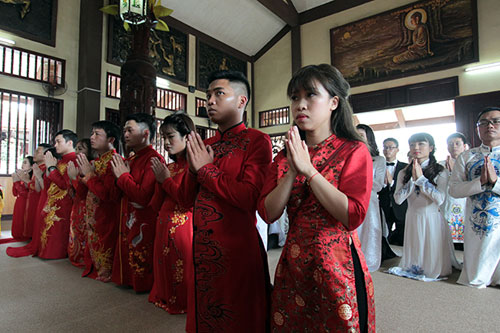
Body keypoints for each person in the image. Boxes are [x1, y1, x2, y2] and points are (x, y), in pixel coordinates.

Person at [258, 64, 375, 332]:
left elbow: (352, 215)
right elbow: (268, 213)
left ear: (334, 102)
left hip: (337, 261)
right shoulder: (284, 156)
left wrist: (309, 170)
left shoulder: (353, 150)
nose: (300, 105)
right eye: (295, 97)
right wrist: (292, 169)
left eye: (310, 95)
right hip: (294, 260)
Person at [177, 70, 272, 332]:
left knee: (237, 316)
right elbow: (186, 200)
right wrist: (193, 170)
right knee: (206, 310)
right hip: (201, 245)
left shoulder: (256, 140)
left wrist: (206, 170)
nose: (209, 101)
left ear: (241, 101)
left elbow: (250, 197)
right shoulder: (205, 144)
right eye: (208, 95)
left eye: (219, 94)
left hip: (236, 247)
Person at [389, 133, 456, 280]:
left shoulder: (440, 170)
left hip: (431, 215)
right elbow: (398, 199)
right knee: (415, 248)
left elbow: (440, 199)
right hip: (412, 215)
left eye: (421, 144)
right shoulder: (403, 172)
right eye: (412, 145)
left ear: (431, 147)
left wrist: (421, 179)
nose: (416, 148)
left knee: (432, 251)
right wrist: (412, 181)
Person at [111, 113, 164, 292]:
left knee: (140, 252)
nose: (125, 134)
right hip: (129, 214)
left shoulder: (153, 159)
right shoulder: (133, 158)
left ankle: (143, 284)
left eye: (130, 130)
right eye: (124, 130)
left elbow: (143, 196)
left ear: (145, 133)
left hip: (143, 218)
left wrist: (123, 177)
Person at [148, 113, 194, 314]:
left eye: (171, 137)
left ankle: (182, 302)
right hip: (164, 221)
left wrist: (165, 180)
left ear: (187, 137)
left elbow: (186, 200)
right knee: (164, 262)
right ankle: (164, 296)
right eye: (163, 138)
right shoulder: (169, 167)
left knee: (181, 266)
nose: (166, 142)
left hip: (184, 224)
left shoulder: (193, 167)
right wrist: (160, 181)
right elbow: (157, 202)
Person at [450, 107, 500, 288]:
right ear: (477, 129)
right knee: (478, 251)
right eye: (484, 123)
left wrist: (495, 183)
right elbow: (454, 189)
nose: (490, 126)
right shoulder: (467, 156)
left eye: (495, 121)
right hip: (476, 216)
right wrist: (480, 183)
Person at [73, 121, 122, 282]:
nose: (92, 137)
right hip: (93, 213)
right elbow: (81, 194)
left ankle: (106, 271)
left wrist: (89, 176)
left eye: (97, 134)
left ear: (111, 140)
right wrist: (80, 176)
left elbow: (109, 195)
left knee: (104, 243)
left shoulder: (114, 161)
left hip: (106, 214)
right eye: (92, 133)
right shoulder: (97, 161)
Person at [36, 130, 78, 259]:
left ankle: (56, 253)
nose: (55, 145)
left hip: (63, 203)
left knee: (58, 230)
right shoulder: (60, 160)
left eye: (58, 142)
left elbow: (66, 185)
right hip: (53, 201)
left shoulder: (74, 160)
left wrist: (52, 168)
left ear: (69, 142)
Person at [6, 144, 52, 257]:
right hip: (33, 199)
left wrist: (25, 180)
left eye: (38, 151)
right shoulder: (38, 168)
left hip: (38, 199)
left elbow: (41, 188)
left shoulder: (45, 168)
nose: (35, 153)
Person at [356, 124, 386, 272]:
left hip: (370, 200)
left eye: (361, 135)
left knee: (371, 230)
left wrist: (357, 181)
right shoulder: (348, 156)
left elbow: (378, 184)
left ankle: (369, 260)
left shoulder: (379, 160)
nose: (357, 137)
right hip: (351, 198)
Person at [67, 139, 93, 267]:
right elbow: (72, 192)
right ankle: (75, 255)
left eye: (81, 149)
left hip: (86, 205)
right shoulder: (75, 166)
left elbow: (85, 190)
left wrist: (73, 178)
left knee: (84, 232)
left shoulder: (91, 166)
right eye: (76, 149)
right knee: (75, 230)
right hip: (76, 204)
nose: (77, 152)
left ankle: (83, 258)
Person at [378, 138, 408, 246]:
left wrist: (392, 182)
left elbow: (407, 186)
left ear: (397, 149)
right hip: (383, 203)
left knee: (402, 236)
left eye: (391, 147)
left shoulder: (405, 167)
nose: (387, 150)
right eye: (385, 147)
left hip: (400, 206)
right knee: (383, 233)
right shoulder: (378, 166)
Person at [440, 133, 468, 244]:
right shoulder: (441, 165)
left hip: (464, 201)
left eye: (457, 143)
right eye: (450, 144)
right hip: (447, 201)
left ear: (464, 146)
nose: (454, 146)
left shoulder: (469, 163)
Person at [10, 156, 34, 239]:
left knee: (23, 222)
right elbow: (15, 193)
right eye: (22, 162)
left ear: (31, 167)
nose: (22, 165)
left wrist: (16, 182)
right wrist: (15, 181)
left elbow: (26, 194)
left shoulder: (30, 179)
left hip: (26, 204)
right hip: (19, 202)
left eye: (25, 162)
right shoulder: (21, 177)